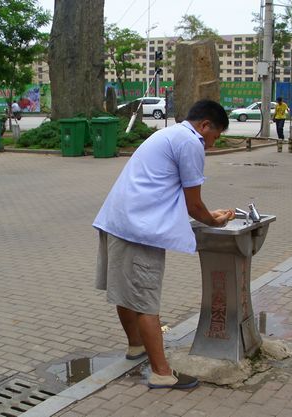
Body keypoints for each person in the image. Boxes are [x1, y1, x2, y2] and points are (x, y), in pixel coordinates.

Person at [93, 100, 234, 390]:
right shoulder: (191, 142)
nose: (212, 144)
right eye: (215, 136)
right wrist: (214, 220)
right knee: (146, 301)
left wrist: (207, 214)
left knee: (126, 293)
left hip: (117, 221)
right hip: (138, 230)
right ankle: (161, 372)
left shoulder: (169, 134)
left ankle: (136, 346)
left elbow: (176, 194)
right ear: (204, 126)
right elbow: (194, 204)